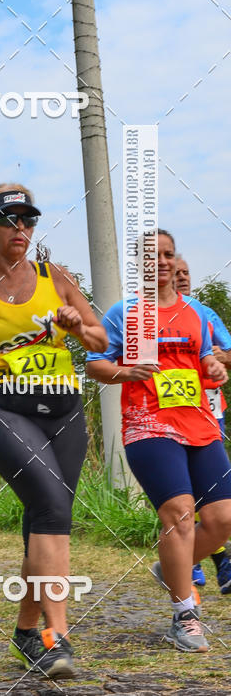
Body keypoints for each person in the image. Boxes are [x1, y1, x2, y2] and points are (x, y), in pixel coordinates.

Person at [0, 184, 107, 679]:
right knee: (50, 504)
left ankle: (27, 632)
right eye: (9, 222)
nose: (20, 230)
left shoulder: (58, 278)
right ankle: (58, 636)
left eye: (27, 221)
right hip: (0, 406)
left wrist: (75, 325)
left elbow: (100, 339)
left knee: (46, 516)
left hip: (63, 408)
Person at [86, 229, 231, 652]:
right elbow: (96, 364)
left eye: (169, 255)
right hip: (148, 425)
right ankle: (185, 615)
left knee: (222, 519)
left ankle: (171, 566)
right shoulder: (123, 312)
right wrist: (125, 372)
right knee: (180, 515)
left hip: (199, 424)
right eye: (154, 256)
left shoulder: (195, 313)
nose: (163, 262)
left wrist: (216, 370)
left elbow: (206, 357)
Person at [175, 255, 231, 594]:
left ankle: (213, 558)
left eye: (186, 272)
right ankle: (208, 559)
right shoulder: (149, 315)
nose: (181, 277)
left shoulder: (205, 313)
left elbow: (230, 352)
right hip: (169, 411)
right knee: (184, 488)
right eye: (175, 272)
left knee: (213, 488)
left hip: (209, 409)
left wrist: (211, 356)